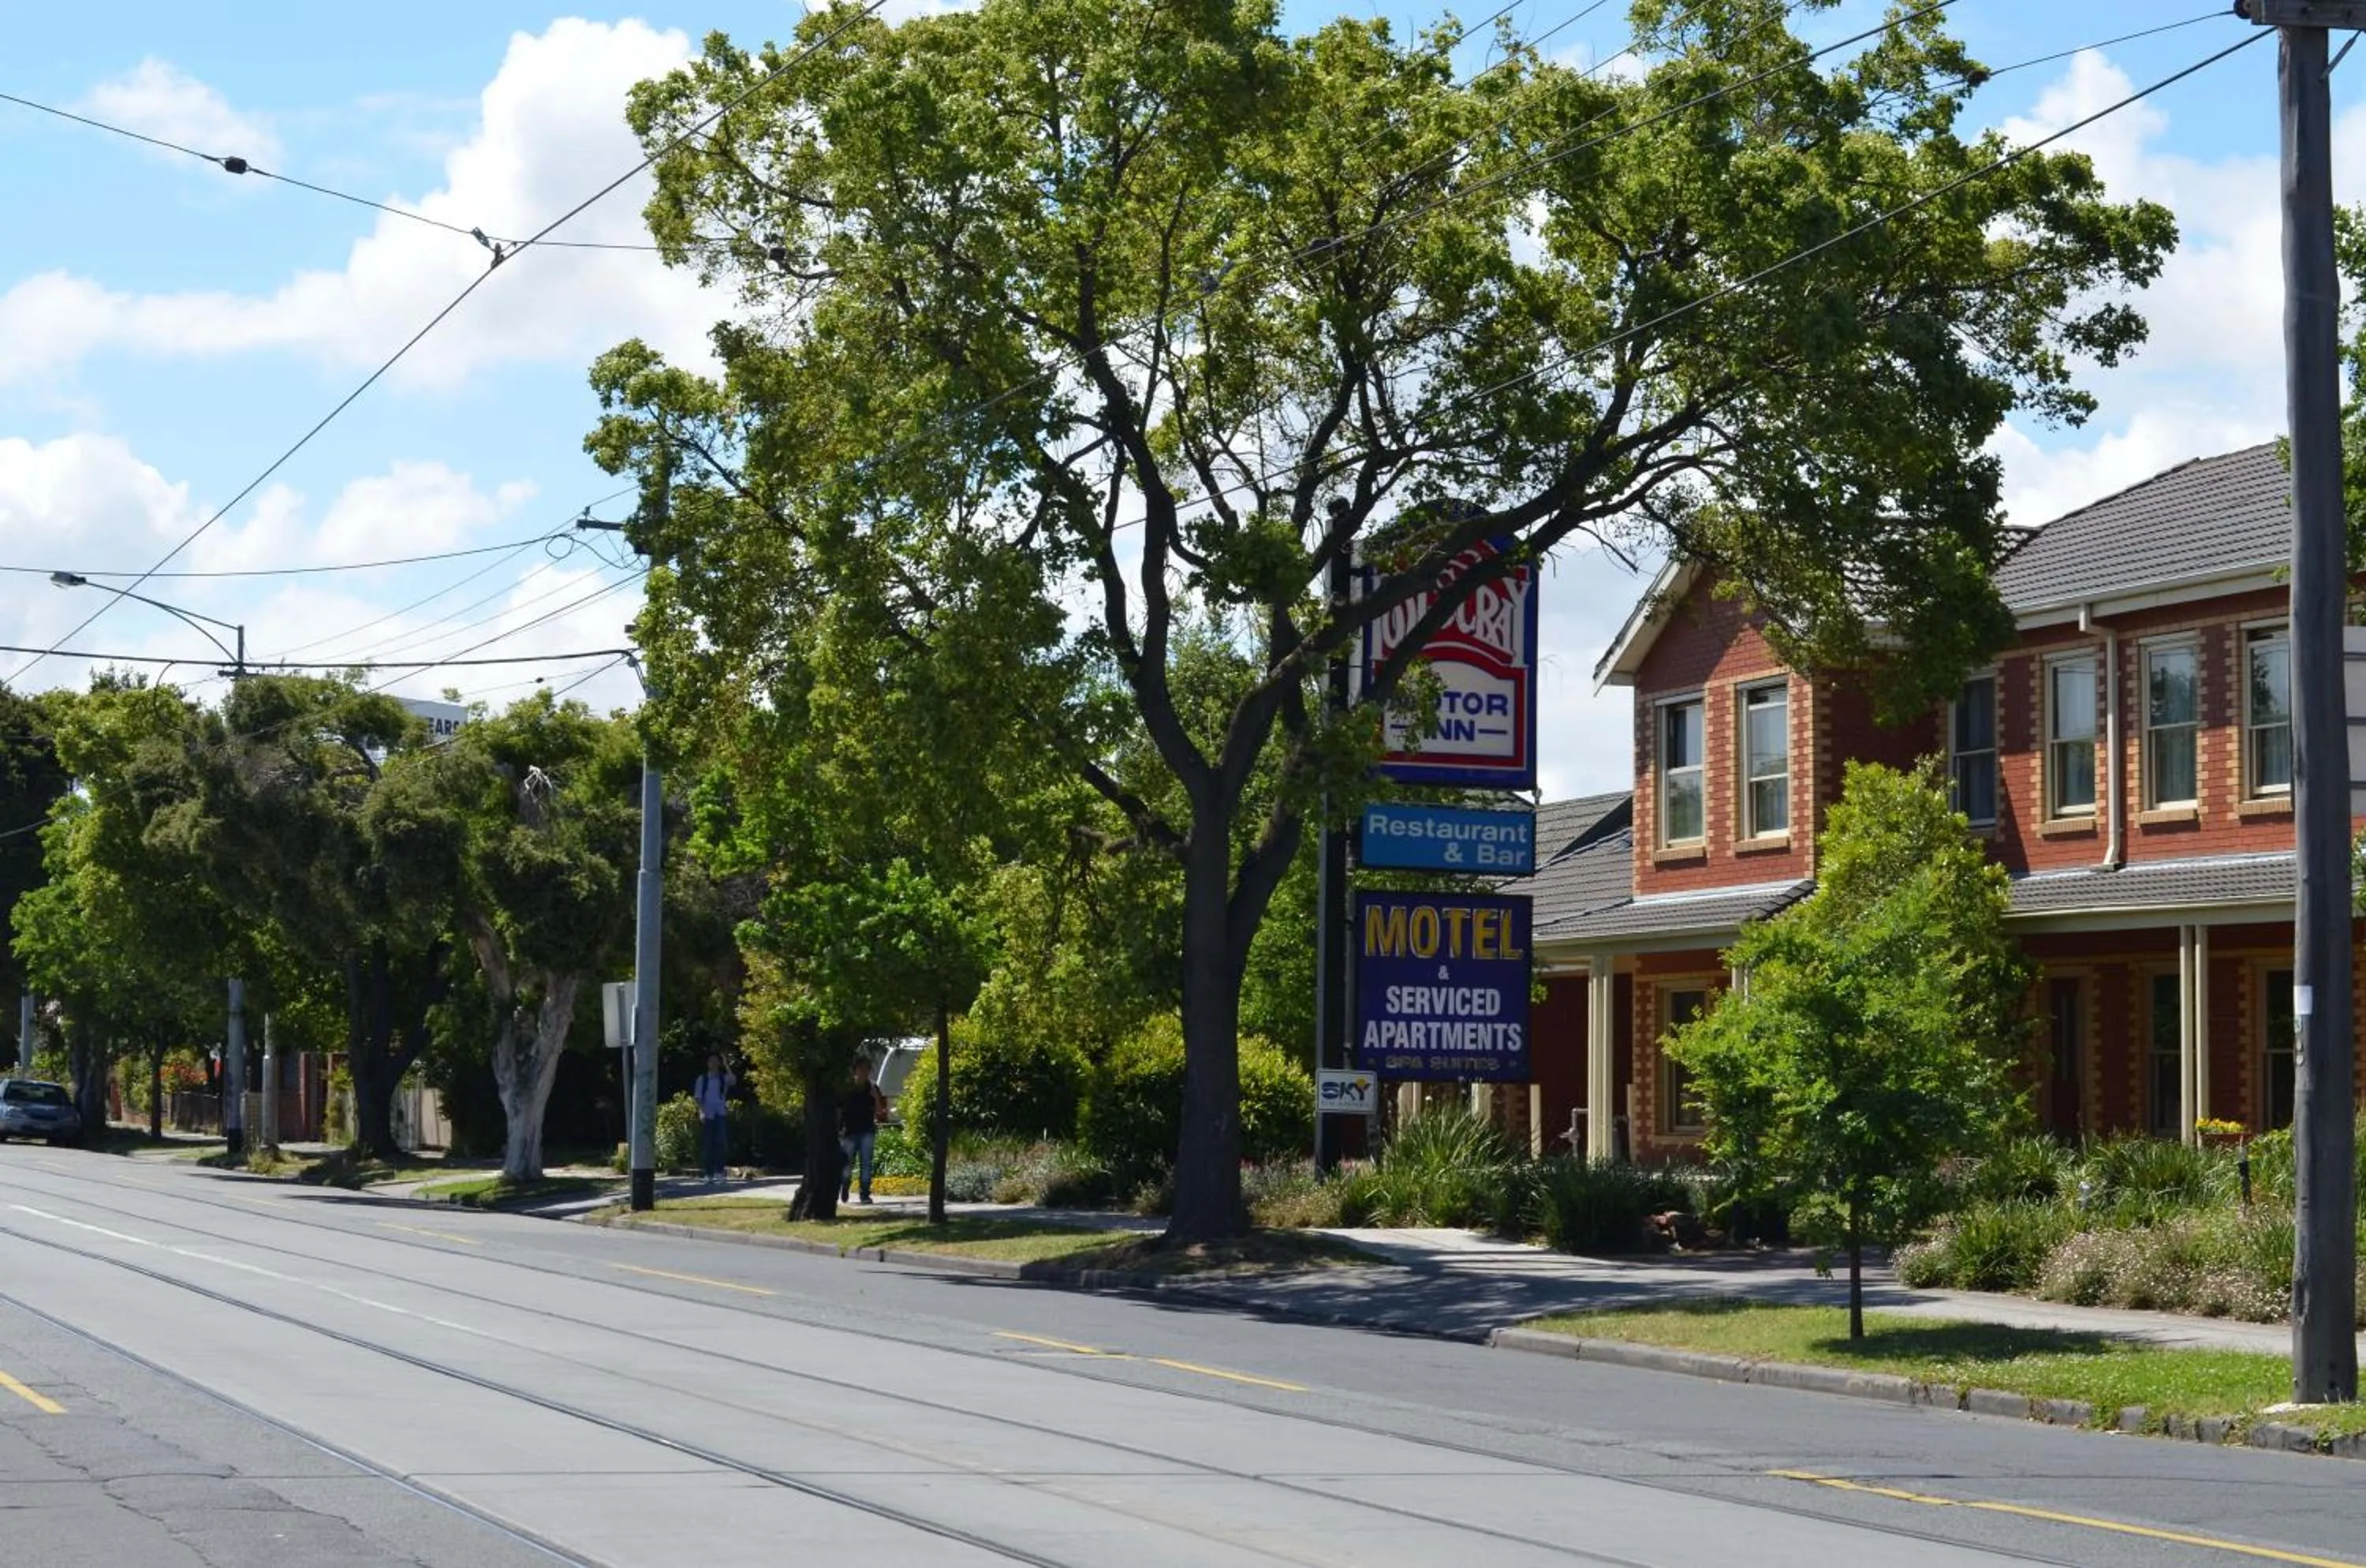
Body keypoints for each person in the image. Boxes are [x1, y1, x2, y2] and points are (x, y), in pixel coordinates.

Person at [838, 1058, 889, 1204]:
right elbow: (839, 1109)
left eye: (867, 1069)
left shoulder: (873, 1088)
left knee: (866, 1164)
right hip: (849, 1131)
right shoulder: (847, 1088)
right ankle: (845, 1185)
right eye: (862, 1069)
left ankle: (864, 1194)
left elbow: (880, 1113)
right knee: (847, 1165)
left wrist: (876, 1098)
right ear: (855, 1070)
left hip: (867, 1130)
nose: (865, 1072)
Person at [692, 1053, 735, 1184]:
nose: (714, 1064)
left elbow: (733, 1080)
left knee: (721, 1143)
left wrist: (727, 1064)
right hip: (708, 1113)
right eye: (711, 1061)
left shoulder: (723, 1078)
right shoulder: (703, 1079)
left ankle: (720, 1172)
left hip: (720, 1113)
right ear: (708, 1064)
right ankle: (709, 1174)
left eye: (716, 1061)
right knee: (708, 1145)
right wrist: (702, 1112)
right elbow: (698, 1097)